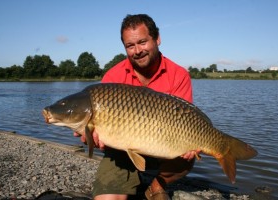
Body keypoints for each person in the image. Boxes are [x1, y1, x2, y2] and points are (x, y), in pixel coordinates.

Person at [74, 14, 200, 200]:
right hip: (122, 153)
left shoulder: (178, 75)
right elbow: (96, 138)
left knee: (185, 158)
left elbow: (186, 120)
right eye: (130, 46)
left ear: (157, 39)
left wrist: (193, 143)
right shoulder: (112, 77)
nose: (137, 50)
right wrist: (89, 137)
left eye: (142, 42)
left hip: (164, 144)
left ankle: (156, 187)